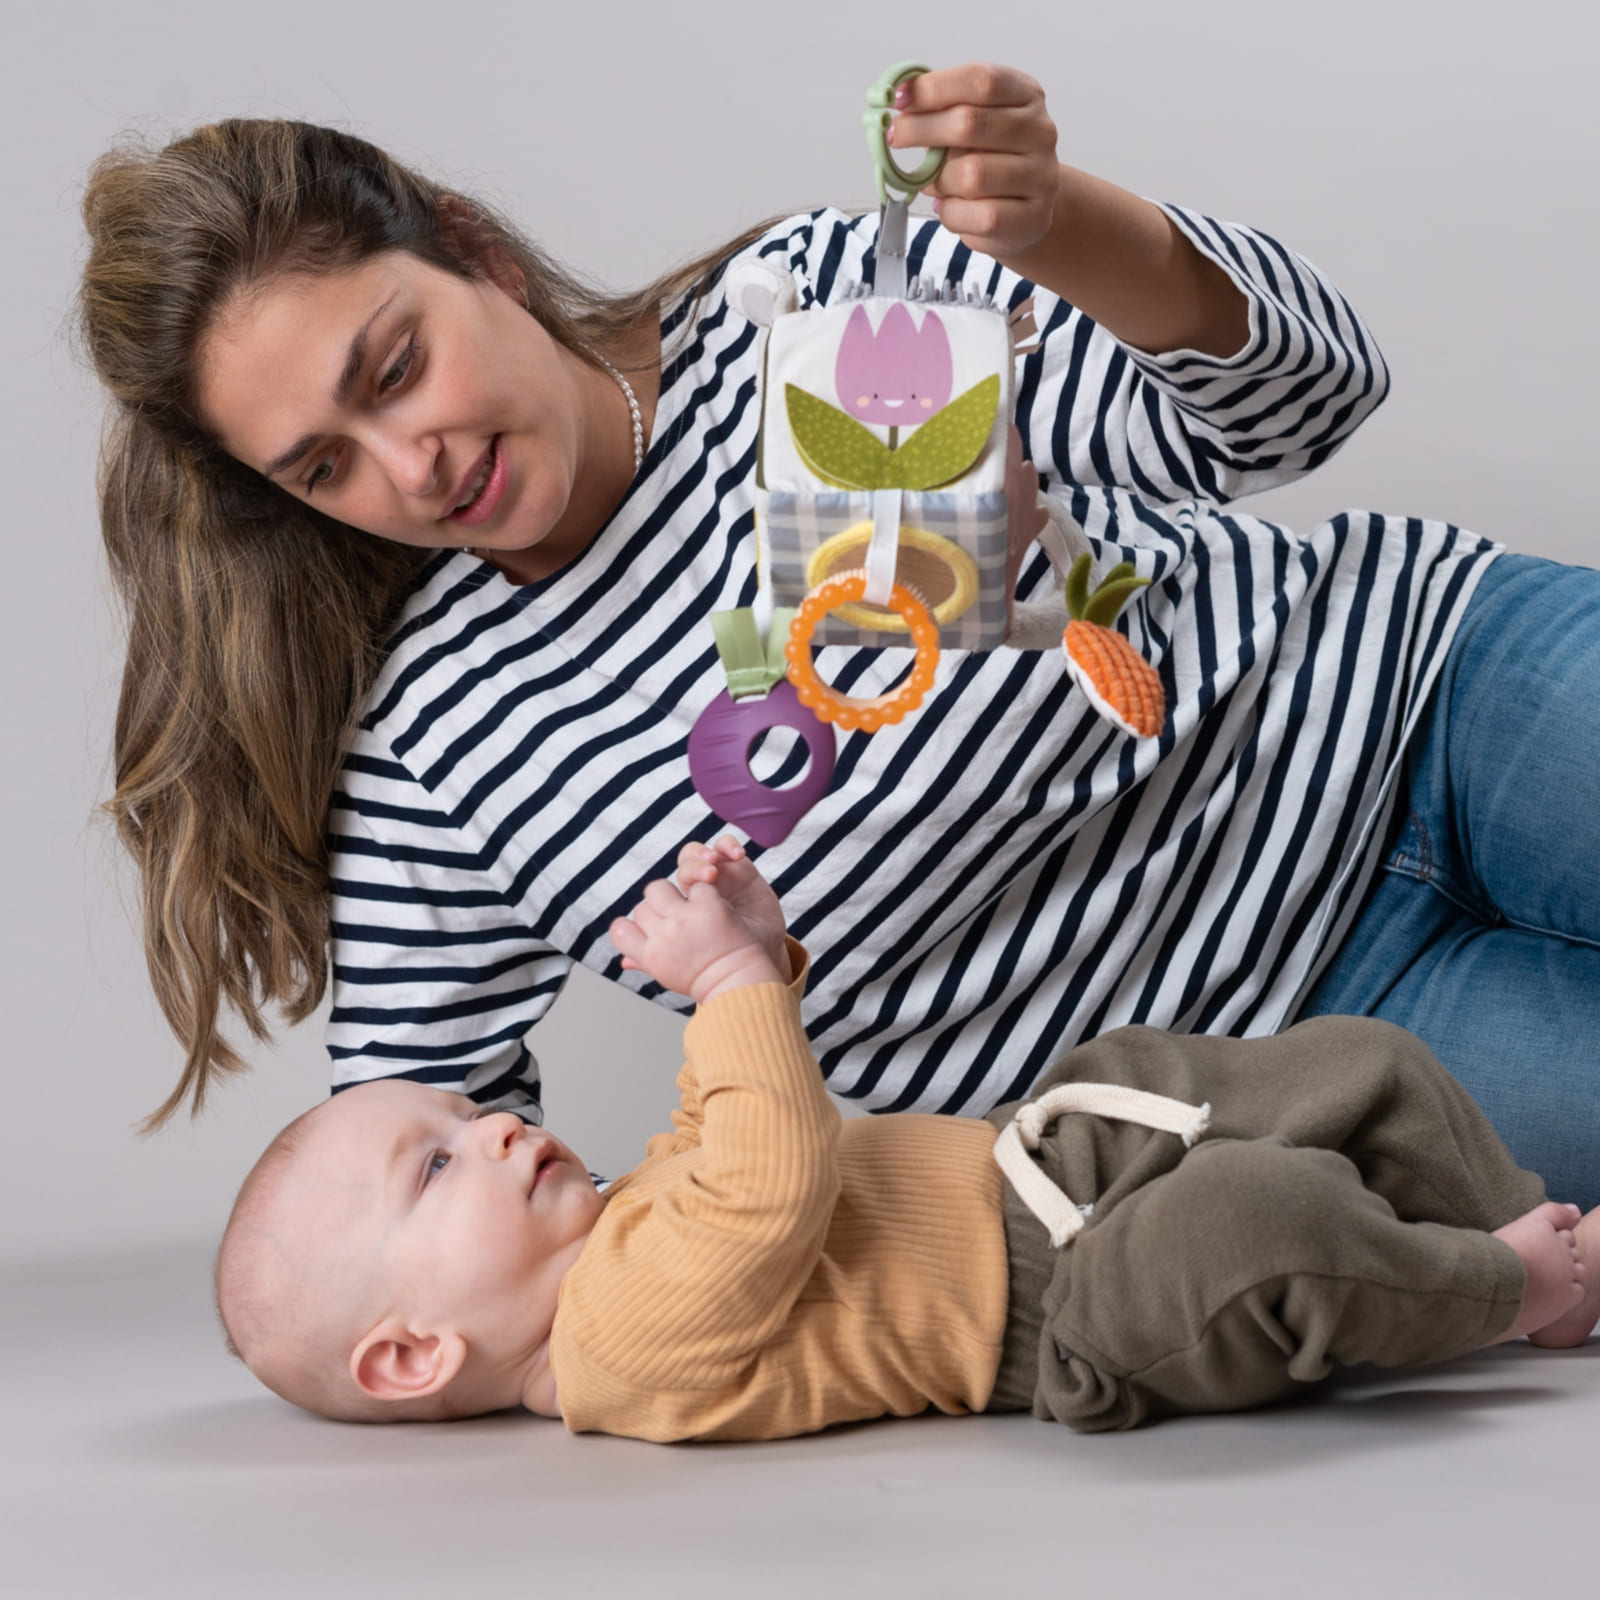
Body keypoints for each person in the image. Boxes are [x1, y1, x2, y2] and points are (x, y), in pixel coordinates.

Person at [78, 65, 1600, 1206]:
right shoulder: (437, 752)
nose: (409, 467)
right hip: (1284, 1068)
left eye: (396, 367)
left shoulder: (809, 310)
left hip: (1440, 697)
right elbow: (402, 1165)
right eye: (325, 467)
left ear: (475, 253)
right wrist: (686, 1278)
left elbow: (1304, 403)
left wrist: (1065, 226)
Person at [216, 837, 1598, 1440]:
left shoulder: (622, 1226)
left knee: (1351, 1059)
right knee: (1245, 1220)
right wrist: (728, 990)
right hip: (1062, 1313)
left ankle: (1508, 1217)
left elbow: (730, 1120)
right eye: (438, 1165)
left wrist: (762, 959)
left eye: (468, 1113)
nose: (499, 1130)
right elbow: (767, 1189)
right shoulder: (614, 1347)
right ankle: (1502, 1288)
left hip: (1036, 1162)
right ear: (413, 1354)